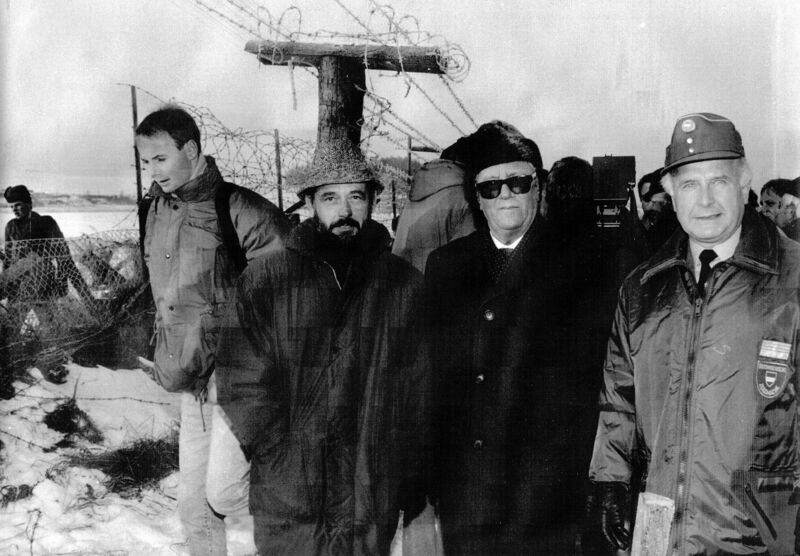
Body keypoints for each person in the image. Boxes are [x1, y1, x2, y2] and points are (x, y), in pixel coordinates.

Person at [590, 113, 800, 555]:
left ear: (743, 182)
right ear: (670, 191)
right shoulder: (641, 289)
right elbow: (619, 397)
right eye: (689, 184)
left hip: (760, 535)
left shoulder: (793, 277)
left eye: (718, 181)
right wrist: (610, 480)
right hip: (660, 529)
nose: (704, 201)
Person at [215, 144, 430, 556]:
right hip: (292, 491)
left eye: (356, 196)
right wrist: (278, 450)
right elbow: (241, 377)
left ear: (373, 201)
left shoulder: (403, 285)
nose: (344, 210)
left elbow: (418, 389)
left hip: (369, 489)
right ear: (311, 202)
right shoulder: (269, 279)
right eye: (331, 197)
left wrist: (396, 461)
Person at [425, 122, 595, 554]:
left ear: (538, 187)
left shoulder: (581, 266)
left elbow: (589, 388)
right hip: (467, 494)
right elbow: (433, 378)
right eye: (491, 187)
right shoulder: (447, 266)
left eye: (518, 182)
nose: (505, 195)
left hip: (542, 499)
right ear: (476, 199)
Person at [135, 105, 289, 556]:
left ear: (190, 149)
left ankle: (310, 487)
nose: (153, 170)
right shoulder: (155, 210)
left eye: (160, 158)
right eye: (145, 161)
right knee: (194, 506)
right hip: (193, 377)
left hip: (241, 376)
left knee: (224, 493)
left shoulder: (239, 208)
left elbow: (290, 289)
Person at [1, 184, 95, 387]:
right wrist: (6, 285)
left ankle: (53, 366)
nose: (15, 209)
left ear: (29, 204)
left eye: (19, 205)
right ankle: (17, 367)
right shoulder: (10, 227)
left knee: (49, 329)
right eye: (12, 206)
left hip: (43, 285)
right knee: (13, 329)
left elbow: (62, 254)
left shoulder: (45, 222)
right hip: (19, 288)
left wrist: (62, 279)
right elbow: (8, 260)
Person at [391, 158, 476, 273]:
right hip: (436, 280)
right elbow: (467, 257)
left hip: (401, 275)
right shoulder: (463, 195)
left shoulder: (421, 187)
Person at [616, 169, 678, 282]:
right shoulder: (631, 232)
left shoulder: (677, 230)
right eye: (647, 199)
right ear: (641, 200)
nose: (653, 204)